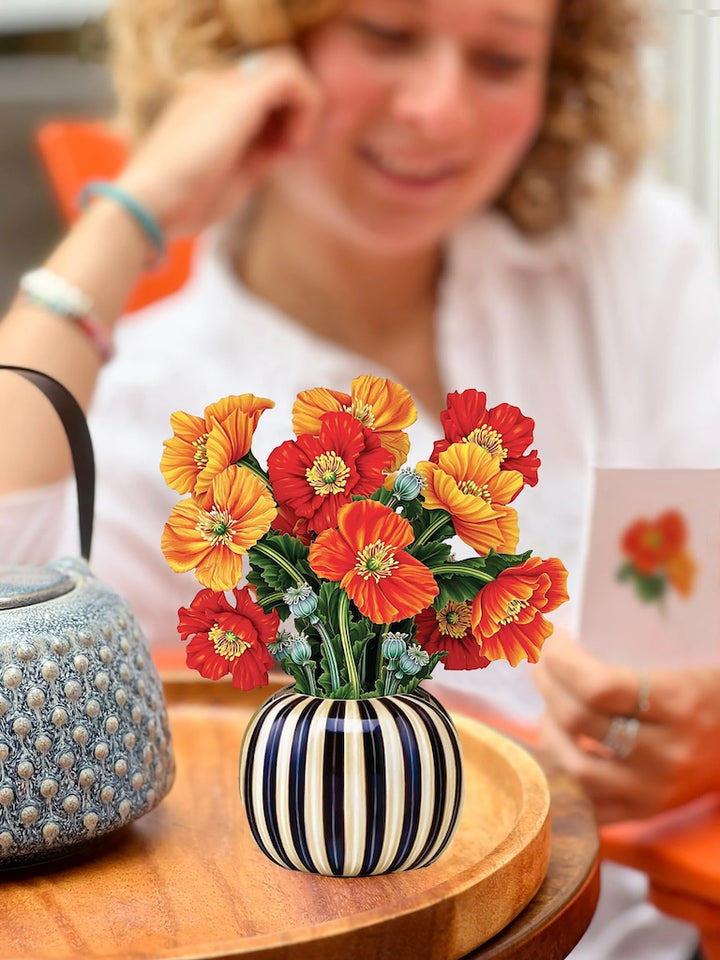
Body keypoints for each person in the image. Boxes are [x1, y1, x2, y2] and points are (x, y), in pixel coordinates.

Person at [1, 0, 719, 956]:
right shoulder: (155, 420)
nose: (438, 111)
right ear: (254, 48)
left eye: (502, 59)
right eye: (385, 35)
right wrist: (139, 209)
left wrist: (700, 720)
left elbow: (682, 596)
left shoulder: (624, 262)